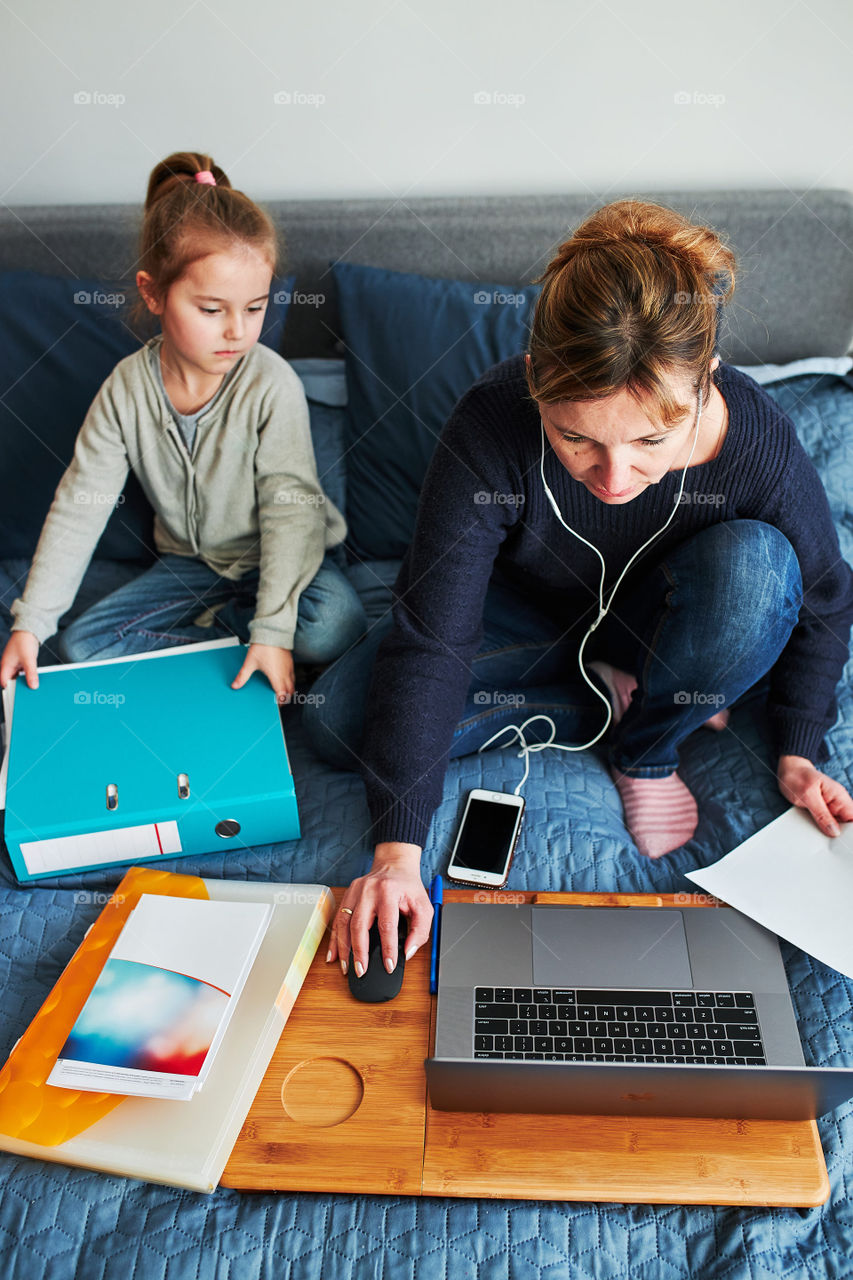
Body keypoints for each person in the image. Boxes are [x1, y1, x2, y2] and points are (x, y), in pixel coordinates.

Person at [303, 198, 853, 979]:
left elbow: (826, 599)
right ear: (535, 380)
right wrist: (396, 855)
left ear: (704, 384)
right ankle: (602, 697)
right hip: (531, 615)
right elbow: (433, 636)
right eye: (575, 438)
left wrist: (799, 744)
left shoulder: (756, 443)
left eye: (651, 442)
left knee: (760, 572)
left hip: (671, 622)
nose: (614, 476)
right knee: (334, 725)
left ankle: (649, 746)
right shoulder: (489, 426)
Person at [0, 151, 366, 701]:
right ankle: (239, 650)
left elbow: (291, 510)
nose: (238, 332)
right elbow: (81, 503)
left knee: (333, 622)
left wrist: (273, 627)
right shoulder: (126, 390)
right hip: (191, 567)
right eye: (212, 310)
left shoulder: (271, 383)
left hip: (281, 555)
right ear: (153, 293)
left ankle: (257, 641)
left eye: (255, 307)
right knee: (85, 645)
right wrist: (31, 622)